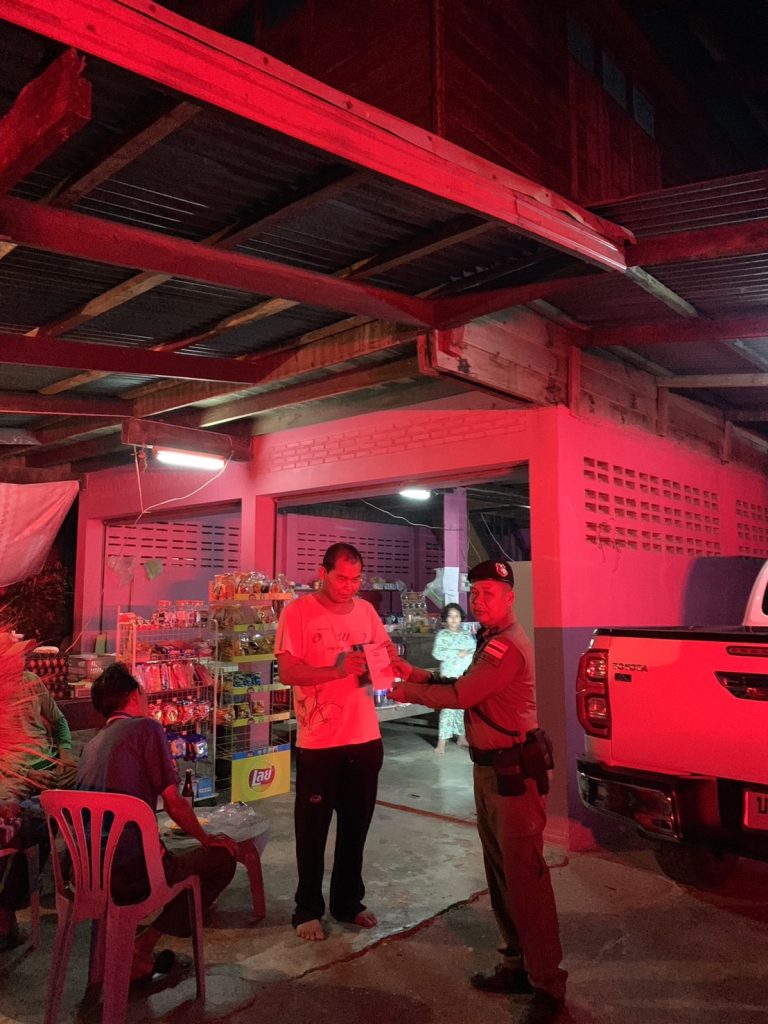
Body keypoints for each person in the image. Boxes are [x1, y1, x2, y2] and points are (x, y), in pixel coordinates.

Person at [391, 560, 567, 1024]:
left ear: (510, 597)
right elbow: (462, 685)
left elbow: (461, 697)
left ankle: (548, 986)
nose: (480, 600)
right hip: (493, 772)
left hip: (513, 776)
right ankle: (517, 966)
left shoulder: (505, 647)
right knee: (503, 876)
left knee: (525, 881)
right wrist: (416, 673)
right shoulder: (490, 640)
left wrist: (406, 691)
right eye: (475, 593)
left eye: (489, 593)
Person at [77, 663, 237, 983]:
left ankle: (126, 953)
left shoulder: (91, 746)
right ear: (134, 695)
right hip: (132, 872)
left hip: (84, 872)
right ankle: (141, 947)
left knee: (170, 850)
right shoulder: (146, 728)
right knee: (222, 858)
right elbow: (174, 803)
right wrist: (207, 838)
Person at [275, 542, 394, 942]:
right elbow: (288, 671)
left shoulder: (367, 612)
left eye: (356, 579)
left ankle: (348, 901)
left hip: (365, 737)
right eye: (342, 578)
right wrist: (337, 668)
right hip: (319, 742)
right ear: (322, 573)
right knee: (312, 830)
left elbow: (381, 657)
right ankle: (307, 907)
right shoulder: (299, 612)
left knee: (355, 829)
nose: (349, 586)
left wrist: (388, 663)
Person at [0, 636, 76, 950]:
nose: (22, 660)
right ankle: (7, 910)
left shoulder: (32, 682)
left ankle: (80, 873)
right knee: (22, 825)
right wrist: (26, 774)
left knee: (90, 789)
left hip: (49, 765)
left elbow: (59, 721)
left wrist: (66, 753)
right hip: (11, 775)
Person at [431, 603, 476, 754]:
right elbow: (437, 654)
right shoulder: (442, 635)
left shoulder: (466, 635)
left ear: (461, 618)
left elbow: (474, 651)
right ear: (445, 618)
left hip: (464, 676)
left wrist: (466, 655)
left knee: (462, 708)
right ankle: (441, 742)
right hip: (448, 677)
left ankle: (461, 737)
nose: (454, 619)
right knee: (447, 709)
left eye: (456, 616)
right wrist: (457, 653)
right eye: (450, 616)